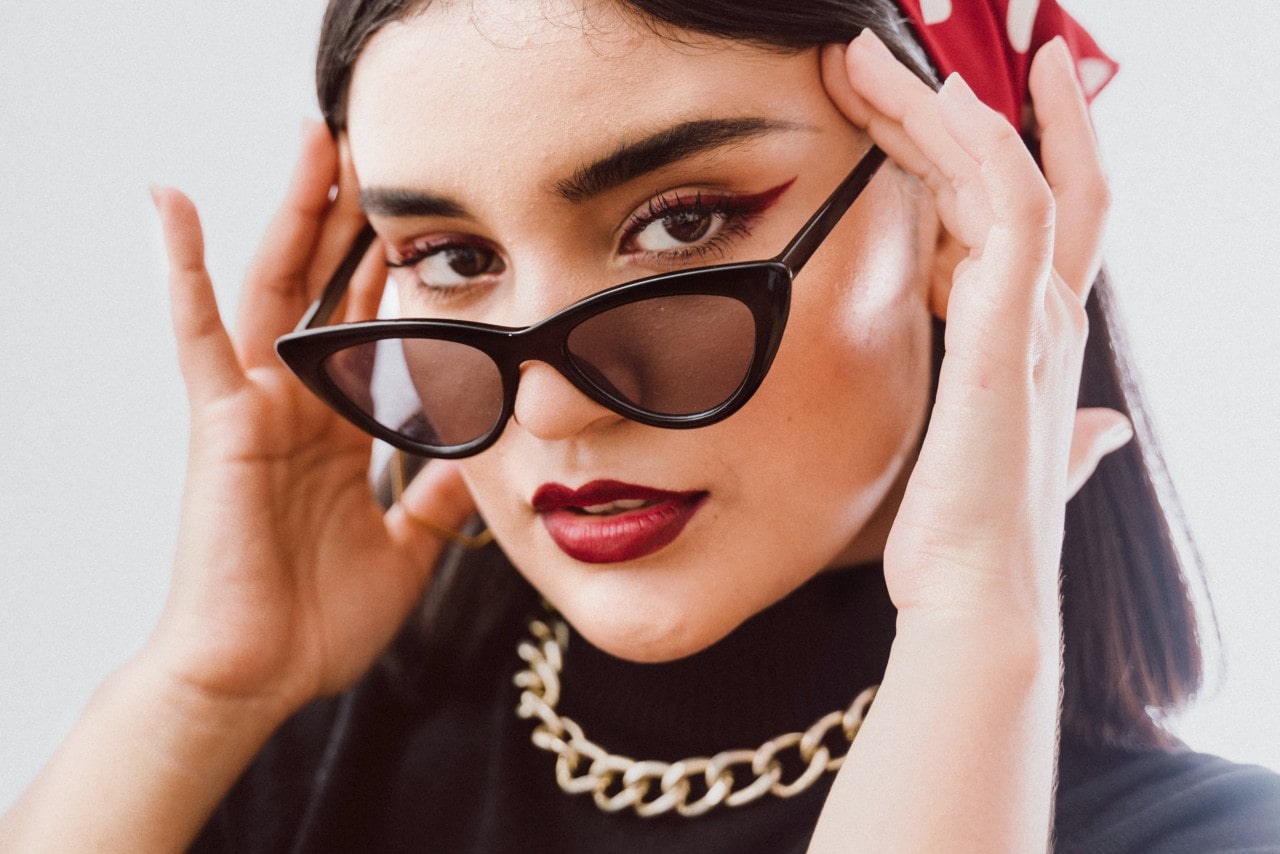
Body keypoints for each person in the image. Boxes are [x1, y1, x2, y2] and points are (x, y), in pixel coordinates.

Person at [3, 0, 1278, 850]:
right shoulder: (286, 781)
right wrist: (199, 686)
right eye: (447, 253)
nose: (547, 402)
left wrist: (972, 621)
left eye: (678, 224)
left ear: (965, 216)